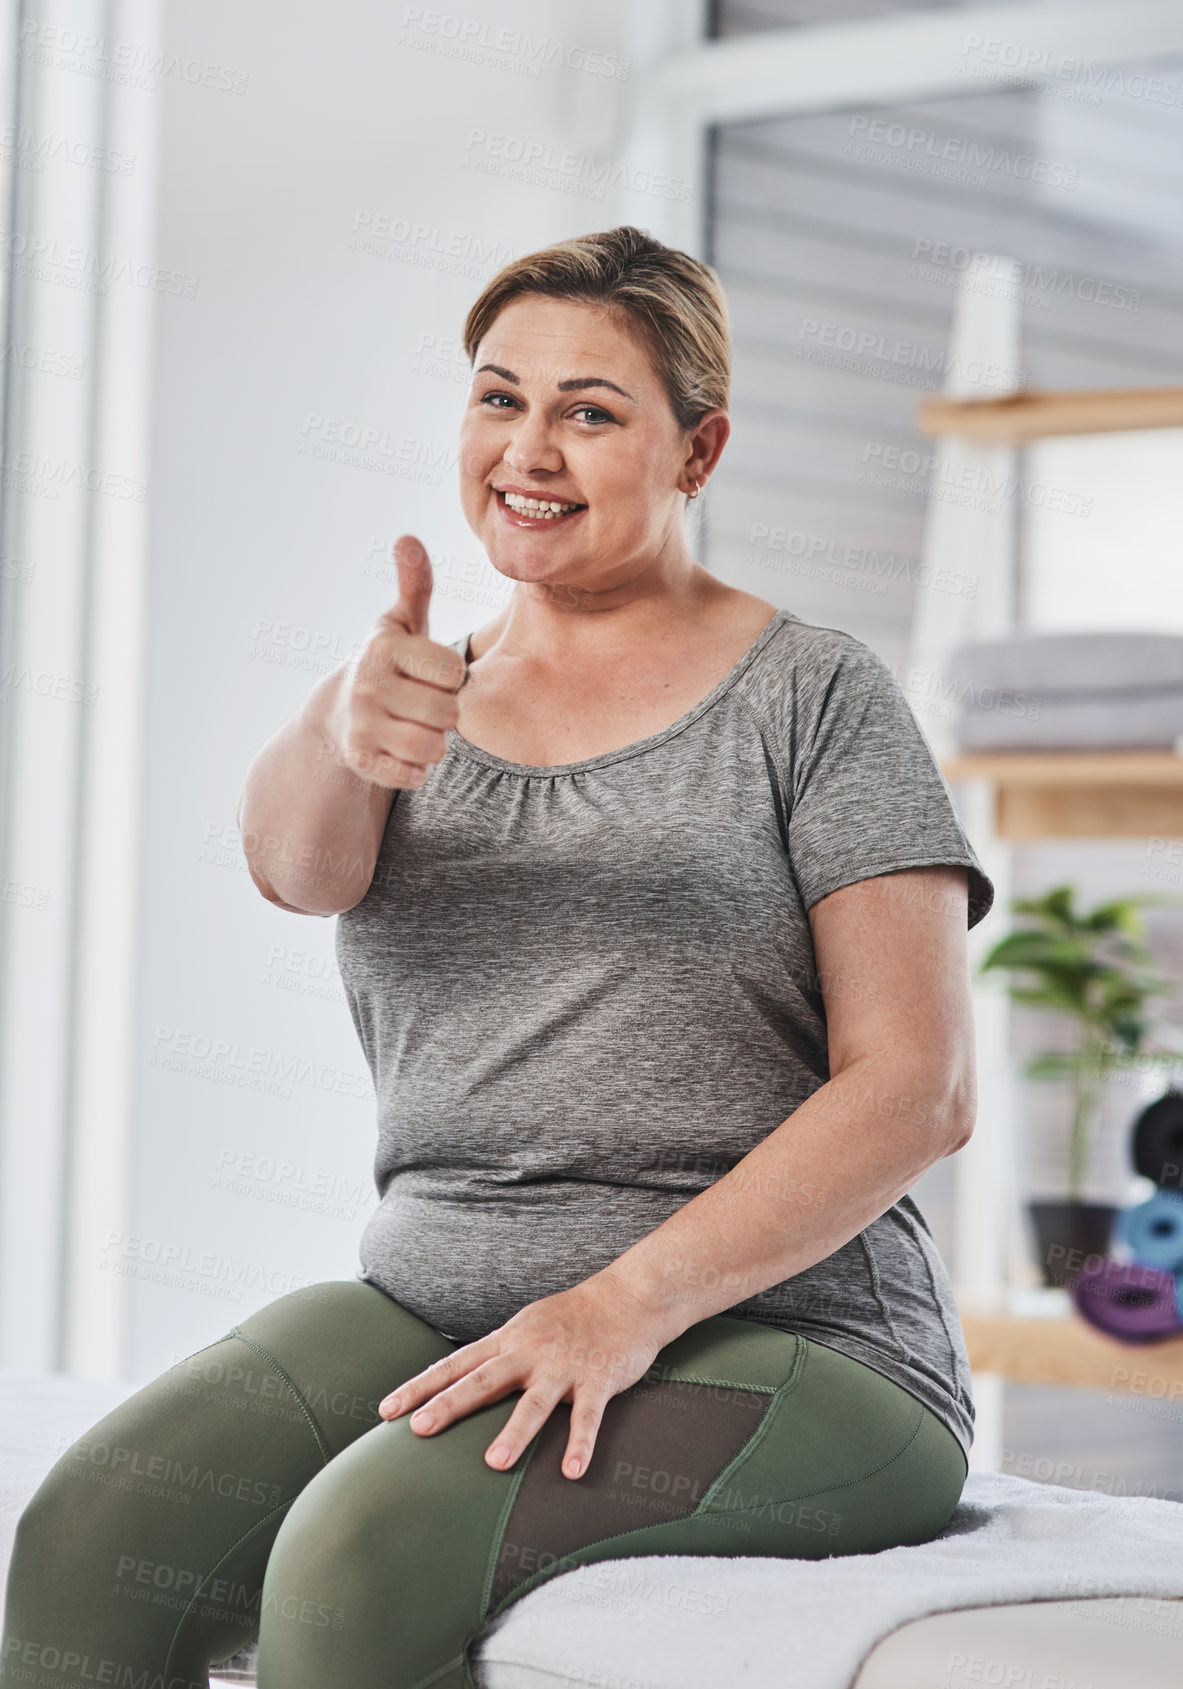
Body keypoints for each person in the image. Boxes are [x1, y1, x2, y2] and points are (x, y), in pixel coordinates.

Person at [1, 226, 994, 1689]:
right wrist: (348, 722)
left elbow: (919, 1087)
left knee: (356, 1557)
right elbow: (297, 865)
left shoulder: (817, 697)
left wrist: (619, 1304)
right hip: (433, 1296)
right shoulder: (406, 691)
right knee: (86, 1540)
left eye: (591, 411)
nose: (531, 446)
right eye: (497, 396)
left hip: (793, 1339)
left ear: (696, 450)